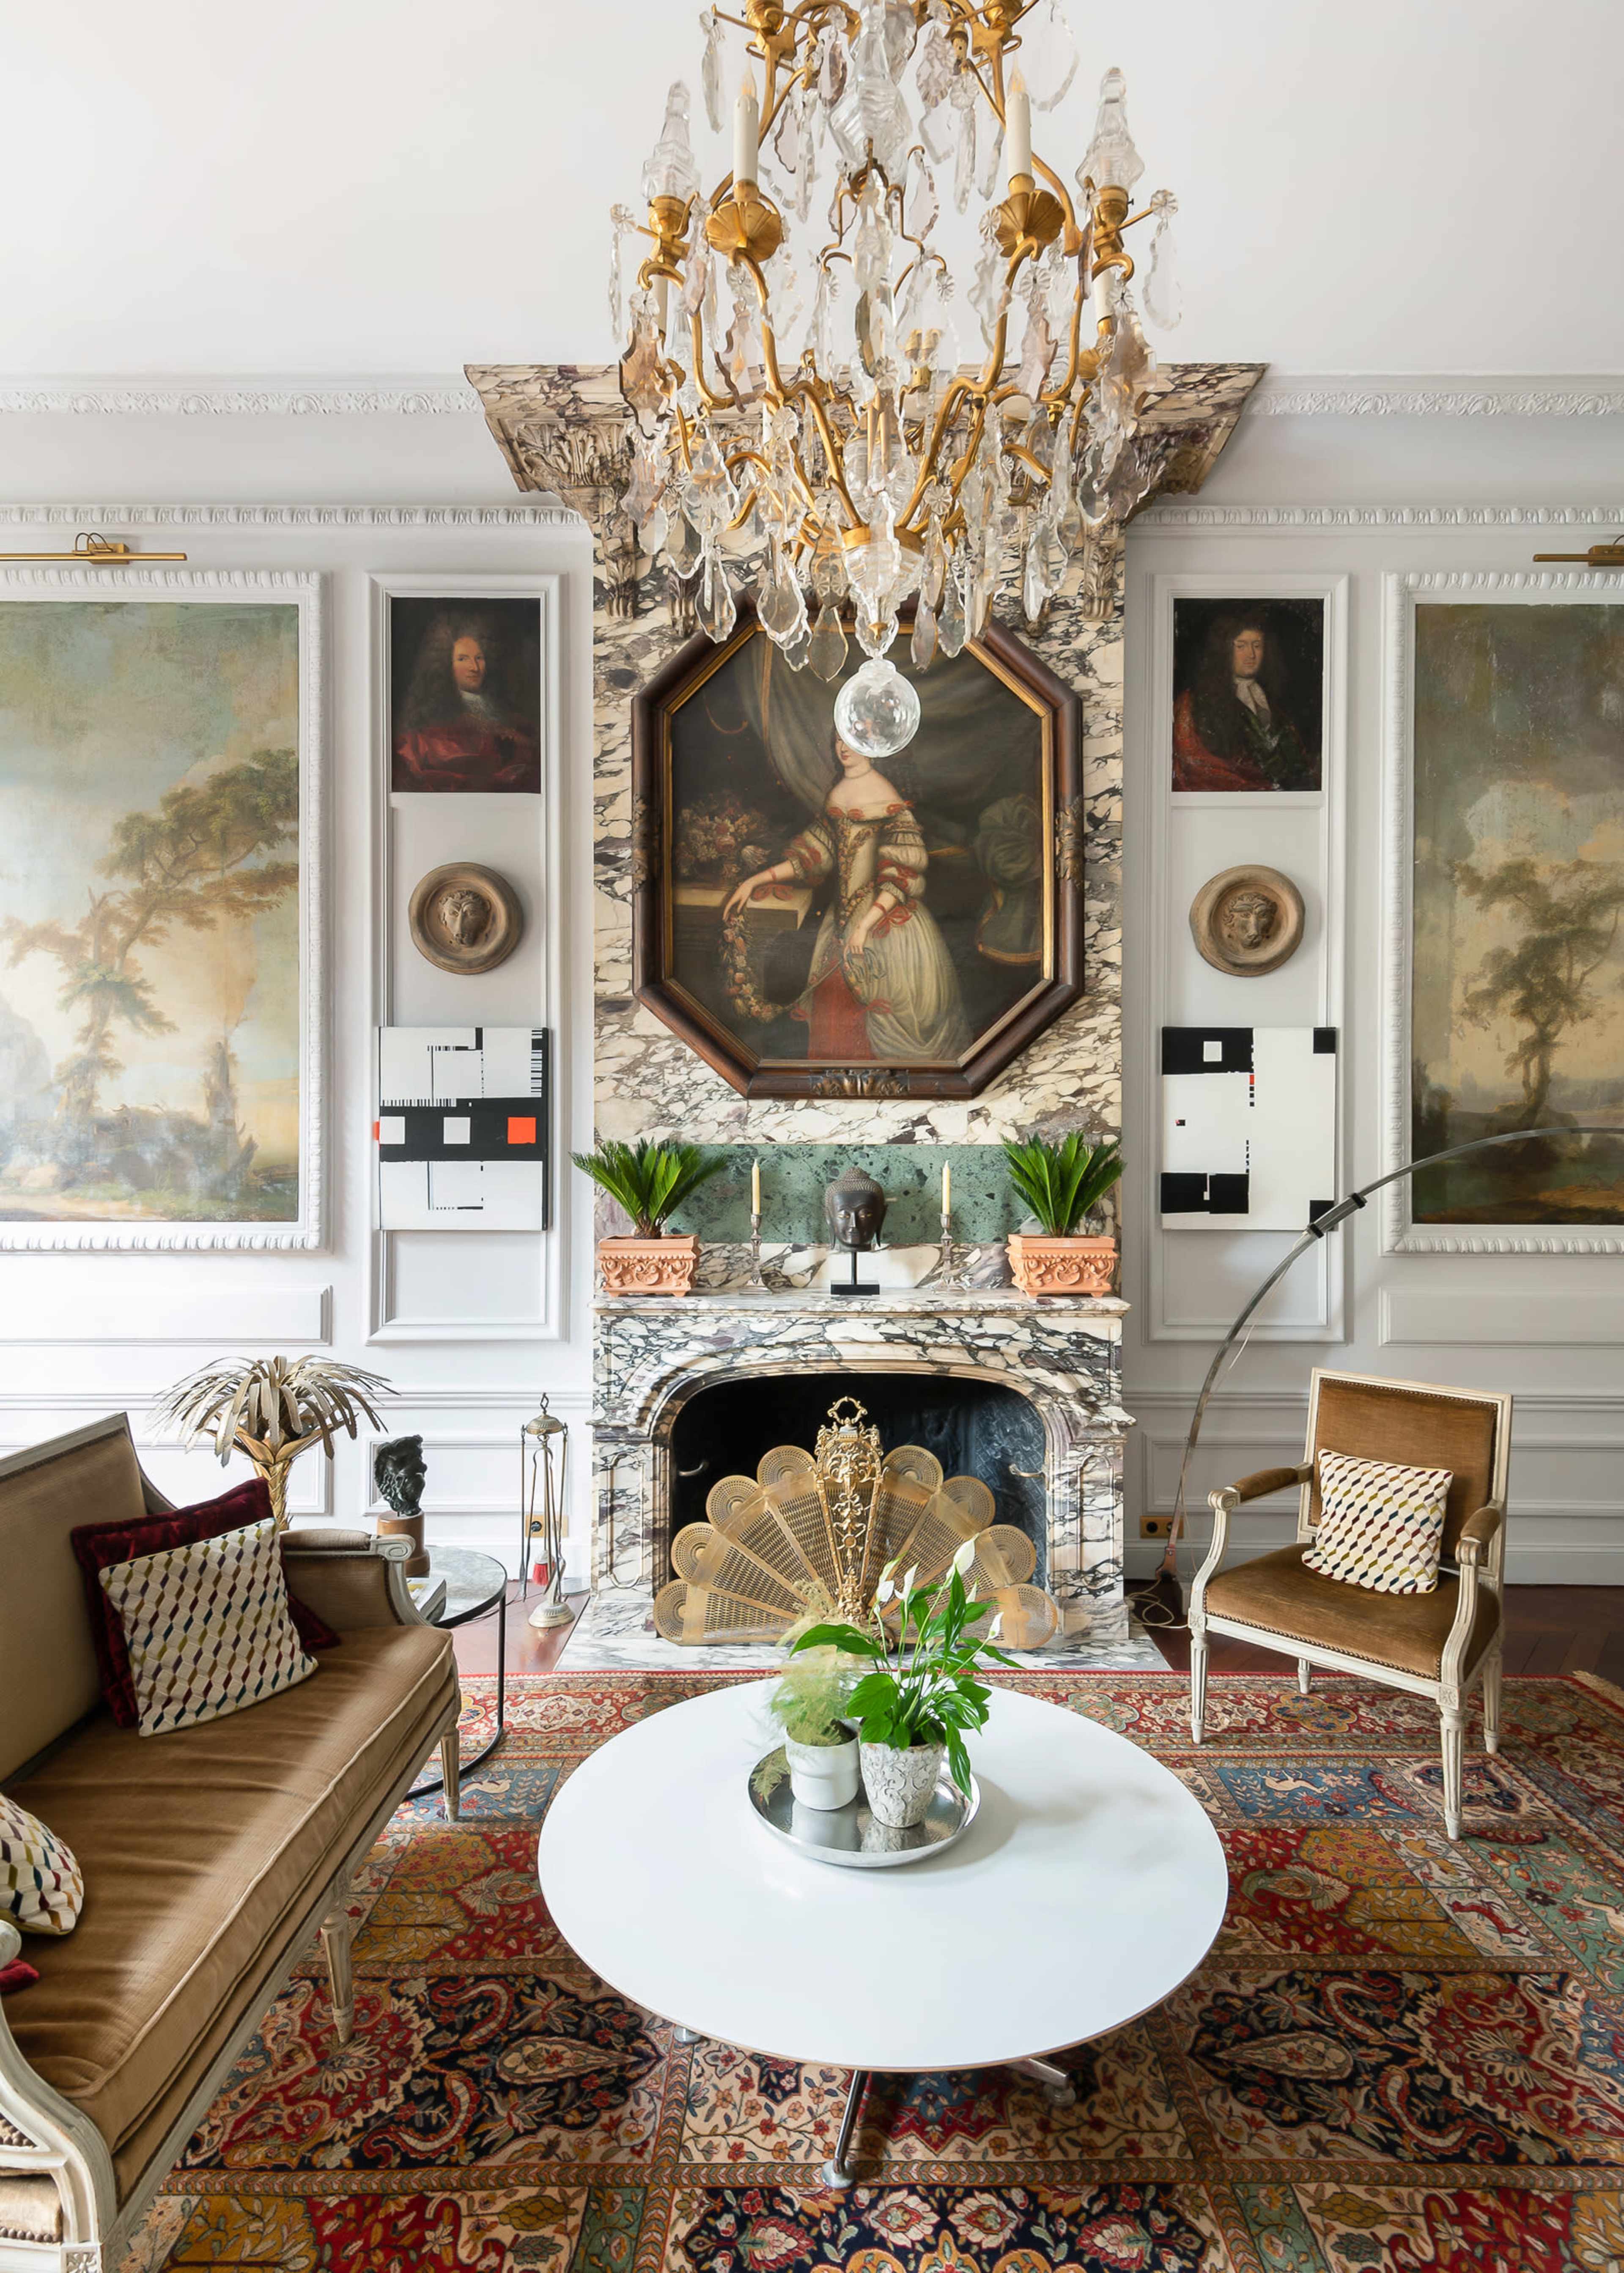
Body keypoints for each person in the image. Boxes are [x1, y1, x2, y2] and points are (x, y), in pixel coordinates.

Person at [723, 734, 971, 1063]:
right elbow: (814, 855)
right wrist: (755, 880)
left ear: (872, 746)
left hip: (882, 923)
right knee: (831, 1010)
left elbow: (901, 874)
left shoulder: (885, 796)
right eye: (839, 740)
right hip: (842, 924)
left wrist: (865, 927)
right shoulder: (838, 795)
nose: (843, 747)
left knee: (872, 1007)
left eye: (852, 740)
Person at [1172, 613, 1317, 792]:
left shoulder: (1271, 702)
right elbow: (1196, 764)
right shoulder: (1194, 701)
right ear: (1224, 651)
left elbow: (1297, 762)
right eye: (1241, 646)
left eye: (1257, 646)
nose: (1251, 655)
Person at [393, 615, 540, 792]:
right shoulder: (436, 718)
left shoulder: (503, 709)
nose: (475, 668)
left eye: (479, 658)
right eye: (463, 659)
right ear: (445, 664)